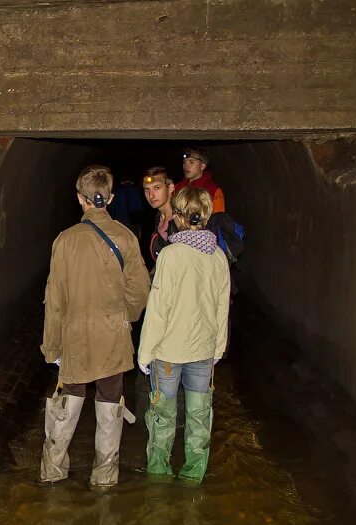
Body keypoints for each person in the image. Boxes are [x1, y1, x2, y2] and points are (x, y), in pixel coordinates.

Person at [40, 165, 151, 488]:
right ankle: (104, 475)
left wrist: (52, 347)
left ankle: (53, 470)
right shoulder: (126, 237)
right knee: (109, 398)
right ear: (111, 198)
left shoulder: (65, 241)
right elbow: (140, 291)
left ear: (80, 199)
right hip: (112, 336)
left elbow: (55, 299)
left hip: (75, 336)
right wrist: (123, 317)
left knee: (69, 395)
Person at [137, 186, 230, 484]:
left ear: (177, 216)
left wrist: (144, 352)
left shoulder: (171, 255)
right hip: (203, 352)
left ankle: (159, 479)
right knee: (199, 418)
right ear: (206, 215)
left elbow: (158, 308)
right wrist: (218, 348)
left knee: (163, 418)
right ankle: (193, 478)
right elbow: (221, 307)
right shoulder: (218, 256)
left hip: (167, 354)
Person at [143, 166, 177, 263]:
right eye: (147, 189)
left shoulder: (182, 220)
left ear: (170, 188)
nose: (151, 195)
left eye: (157, 188)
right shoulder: (157, 219)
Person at [175, 148, 226, 213]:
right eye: (184, 162)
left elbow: (219, 219)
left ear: (202, 166)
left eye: (191, 162)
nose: (186, 166)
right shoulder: (177, 187)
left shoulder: (213, 190)